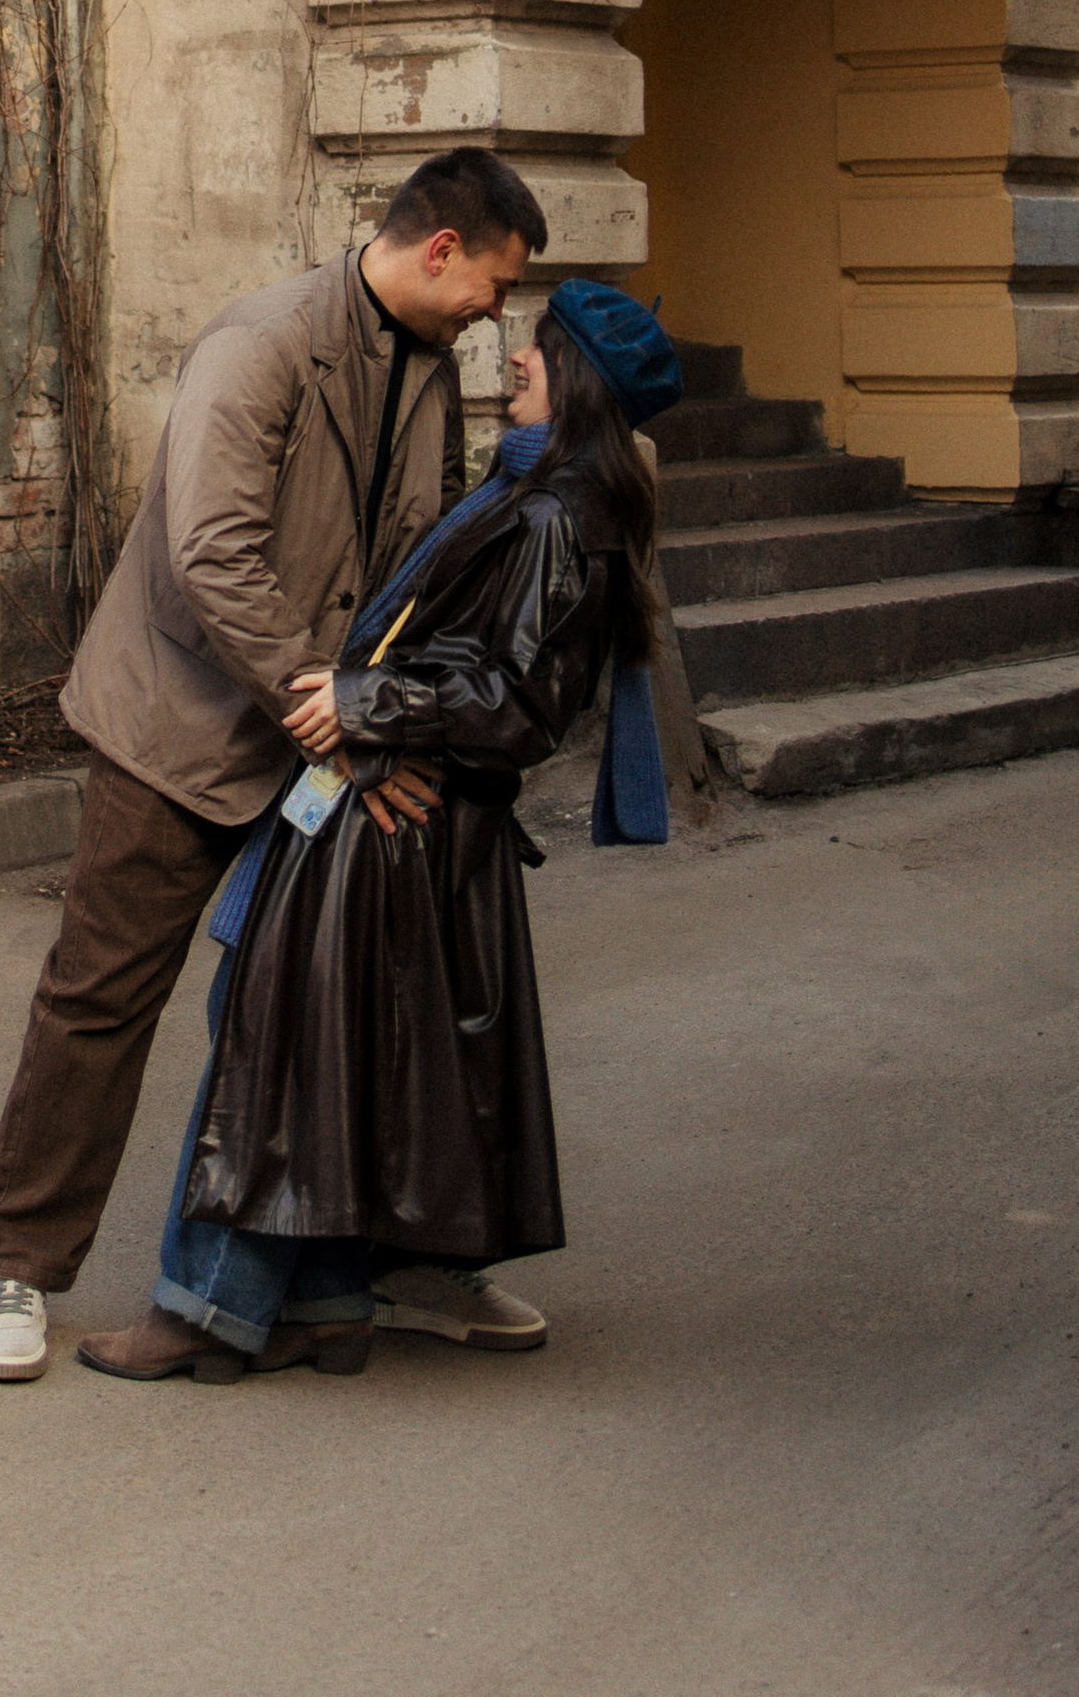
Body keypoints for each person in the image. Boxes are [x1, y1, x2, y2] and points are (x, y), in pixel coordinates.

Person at [0, 148, 548, 1384]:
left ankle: (382, 1270)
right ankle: (17, 1262)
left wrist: (389, 719)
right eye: (495, 282)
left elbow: (423, 563)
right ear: (441, 250)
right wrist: (329, 713)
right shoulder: (263, 342)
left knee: (338, 1008)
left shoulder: (436, 370)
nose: (499, 311)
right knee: (100, 996)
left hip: (322, 733)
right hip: (180, 724)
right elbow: (211, 553)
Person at [74, 277, 674, 1382]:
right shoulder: (543, 491)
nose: (516, 359)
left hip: (399, 817)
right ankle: (327, 1301)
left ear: (578, 379)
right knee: (328, 1051)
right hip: (403, 818)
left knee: (276, 1049)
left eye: (538, 350)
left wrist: (361, 707)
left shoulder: (554, 513)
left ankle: (207, 1309)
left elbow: (519, 701)